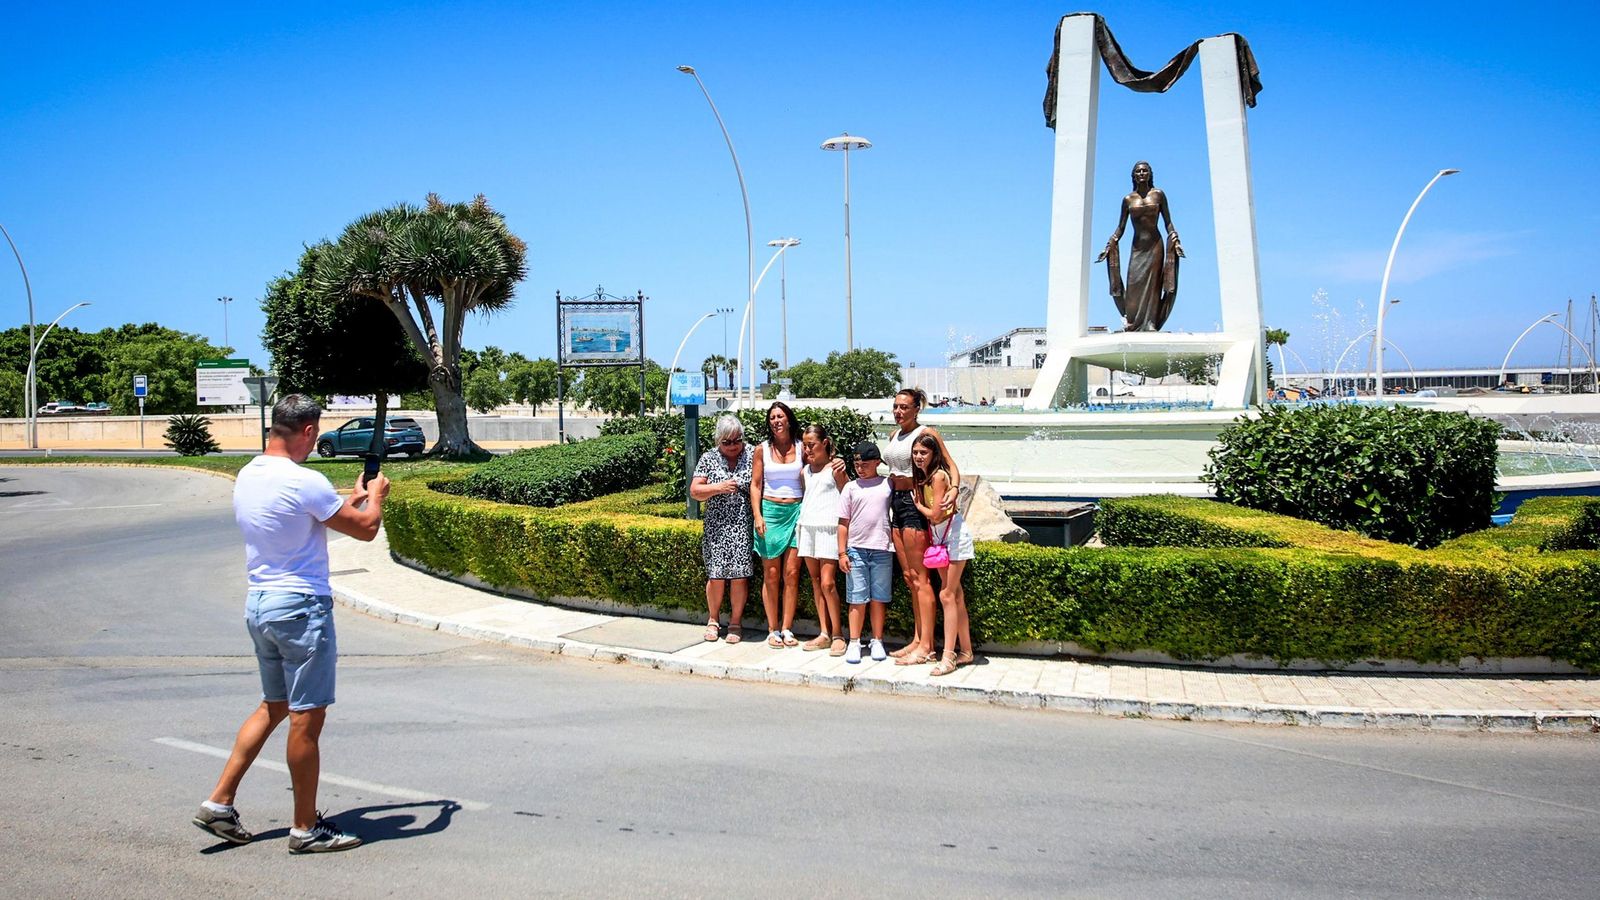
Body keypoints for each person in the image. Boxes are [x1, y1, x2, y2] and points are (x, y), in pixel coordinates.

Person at [192, 394, 389, 853]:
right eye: (315, 434)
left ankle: (220, 802)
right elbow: (365, 529)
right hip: (301, 609)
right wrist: (374, 499)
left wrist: (352, 498)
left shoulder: (249, 475)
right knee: (306, 718)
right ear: (305, 431)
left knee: (273, 706)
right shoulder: (306, 481)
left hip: (261, 603)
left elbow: (305, 516)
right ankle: (305, 828)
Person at [881, 388, 960, 666]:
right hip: (896, 503)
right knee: (910, 577)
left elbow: (950, 465)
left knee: (922, 578)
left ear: (917, 409)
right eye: (895, 407)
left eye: (904, 407)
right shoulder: (894, 436)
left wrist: (954, 489)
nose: (898, 411)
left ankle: (927, 646)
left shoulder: (928, 432)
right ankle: (917, 638)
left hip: (915, 503)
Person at [910, 433, 977, 676]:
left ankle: (948, 656)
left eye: (923, 453)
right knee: (955, 595)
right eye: (916, 453)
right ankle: (966, 651)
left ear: (933, 454)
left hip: (953, 536)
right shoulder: (924, 476)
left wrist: (919, 507)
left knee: (947, 594)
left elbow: (937, 515)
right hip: (941, 537)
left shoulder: (938, 476)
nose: (918, 457)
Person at [1097, 160, 1184, 332]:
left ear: (1150, 174)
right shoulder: (1128, 199)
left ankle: (1150, 323)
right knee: (1133, 286)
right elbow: (1121, 227)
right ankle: (1134, 323)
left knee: (1153, 287)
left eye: (1145, 171)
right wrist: (1109, 245)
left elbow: (1168, 222)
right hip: (1137, 248)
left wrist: (1175, 240)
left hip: (1155, 246)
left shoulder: (1158, 195)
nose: (1142, 173)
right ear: (1134, 176)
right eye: (1138, 171)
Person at [690, 414, 755, 644]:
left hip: (742, 524)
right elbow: (695, 491)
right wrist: (718, 487)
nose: (732, 446)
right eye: (726, 442)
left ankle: (735, 623)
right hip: (717, 527)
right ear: (718, 440)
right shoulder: (708, 458)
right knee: (716, 575)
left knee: (739, 576)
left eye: (736, 440)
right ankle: (713, 620)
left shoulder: (753, 454)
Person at [750, 402, 805, 648]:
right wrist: (758, 516)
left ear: (789, 419)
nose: (776, 421)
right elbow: (756, 484)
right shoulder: (761, 449)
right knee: (771, 575)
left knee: (792, 574)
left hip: (798, 512)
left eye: (780, 416)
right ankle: (772, 629)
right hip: (770, 513)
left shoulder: (803, 447)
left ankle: (787, 628)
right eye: (772, 417)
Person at [836, 442, 893, 664]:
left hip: (882, 549)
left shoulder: (888, 484)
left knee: (879, 598)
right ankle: (854, 641)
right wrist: (842, 553)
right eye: (857, 464)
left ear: (877, 462)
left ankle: (877, 640)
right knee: (857, 598)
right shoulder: (851, 487)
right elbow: (843, 522)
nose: (860, 468)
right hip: (856, 550)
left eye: (865, 464)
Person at [796, 423, 849, 655]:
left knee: (828, 583)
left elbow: (848, 495)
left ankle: (838, 634)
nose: (807, 450)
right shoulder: (804, 472)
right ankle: (824, 632)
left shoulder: (835, 468)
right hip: (807, 527)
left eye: (812, 445)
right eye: (805, 446)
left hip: (829, 529)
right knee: (816, 582)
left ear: (825, 444)